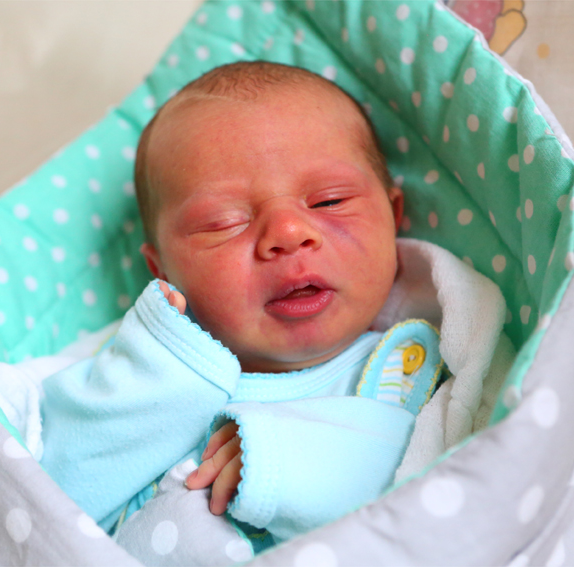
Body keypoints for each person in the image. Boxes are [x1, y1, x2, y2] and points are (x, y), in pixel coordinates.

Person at [39, 61, 442, 561]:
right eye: (223, 222)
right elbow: (45, 505)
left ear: (394, 215)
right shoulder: (133, 374)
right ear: (161, 270)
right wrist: (154, 373)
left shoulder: (411, 378)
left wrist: (286, 455)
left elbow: (452, 490)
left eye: (330, 201)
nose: (288, 233)